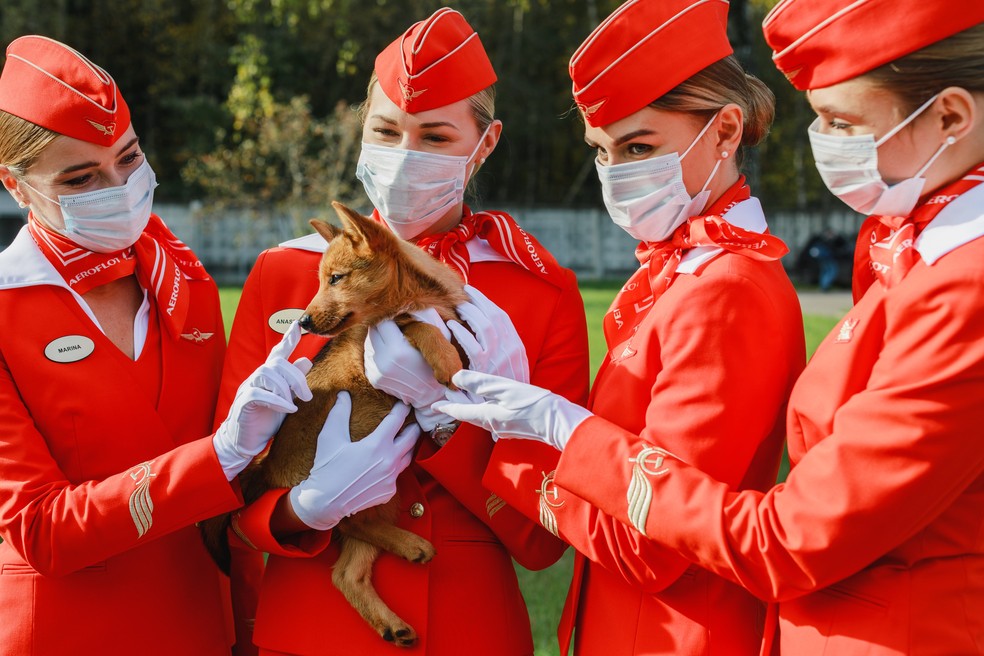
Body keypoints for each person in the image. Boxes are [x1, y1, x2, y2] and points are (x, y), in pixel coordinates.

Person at [438, 1, 984, 654]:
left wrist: (540, 433)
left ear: (951, 117)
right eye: (602, 152)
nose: (823, 139)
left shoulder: (734, 287)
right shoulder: (901, 257)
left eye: (841, 121)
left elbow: (705, 544)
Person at [373, 1, 805, 654]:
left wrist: (516, 433)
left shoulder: (725, 290)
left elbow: (650, 542)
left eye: (639, 147)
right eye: (602, 152)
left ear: (725, 131)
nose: (617, 174)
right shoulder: (685, 275)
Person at [216, 7, 590, 655]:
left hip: (467, 628)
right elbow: (225, 498)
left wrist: (450, 431)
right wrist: (299, 509)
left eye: (435, 137)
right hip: (312, 625)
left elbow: (543, 539)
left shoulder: (540, 292)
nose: (403, 157)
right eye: (386, 132)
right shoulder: (287, 272)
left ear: (485, 144)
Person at [0, 35, 390, 655]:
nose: (119, 186)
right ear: (17, 187)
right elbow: (41, 530)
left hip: (196, 625)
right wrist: (222, 454)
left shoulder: (189, 285)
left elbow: (220, 517)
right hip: (62, 631)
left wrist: (248, 632)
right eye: (81, 178)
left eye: (128, 158)